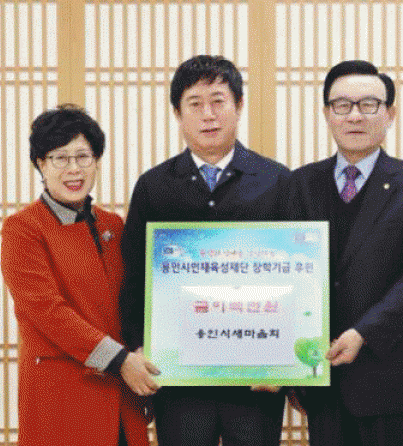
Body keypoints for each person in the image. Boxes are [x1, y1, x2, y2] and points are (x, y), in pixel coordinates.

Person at [118, 55, 289, 446]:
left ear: (239, 105)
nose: (208, 115)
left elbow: (300, 277)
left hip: (255, 374)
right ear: (178, 114)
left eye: (218, 101)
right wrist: (138, 347)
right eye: (195, 104)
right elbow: (134, 275)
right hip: (179, 375)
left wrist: (289, 365)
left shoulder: (277, 181)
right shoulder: (154, 186)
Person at [285, 60, 403, 446]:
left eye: (369, 104)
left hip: (389, 377)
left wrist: (363, 333)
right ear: (327, 114)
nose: (354, 115)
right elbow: (286, 275)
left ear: (390, 114)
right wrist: (286, 366)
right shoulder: (301, 184)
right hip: (321, 378)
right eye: (342, 105)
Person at [1, 104, 150, 446]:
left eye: (83, 156)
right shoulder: (23, 229)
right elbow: (46, 311)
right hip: (63, 396)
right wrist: (120, 361)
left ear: (96, 161)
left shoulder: (112, 224)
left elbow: (132, 301)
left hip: (122, 396)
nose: (73, 169)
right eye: (60, 158)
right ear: (41, 164)